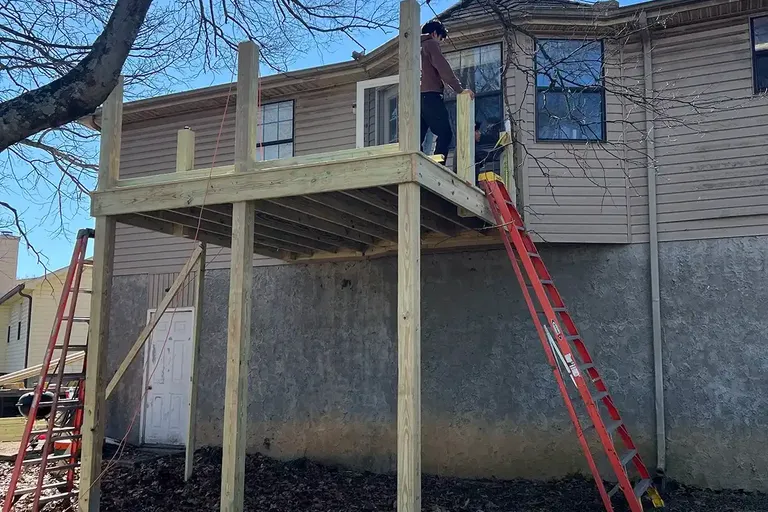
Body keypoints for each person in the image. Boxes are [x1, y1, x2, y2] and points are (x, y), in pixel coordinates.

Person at [420, 20, 474, 160]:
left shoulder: (415, 48)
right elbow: (443, 67)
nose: (440, 43)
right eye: (440, 39)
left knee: (416, 137)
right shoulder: (430, 44)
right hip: (431, 95)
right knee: (445, 134)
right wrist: (459, 89)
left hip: (417, 97)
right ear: (434, 34)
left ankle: (415, 164)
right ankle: (438, 167)